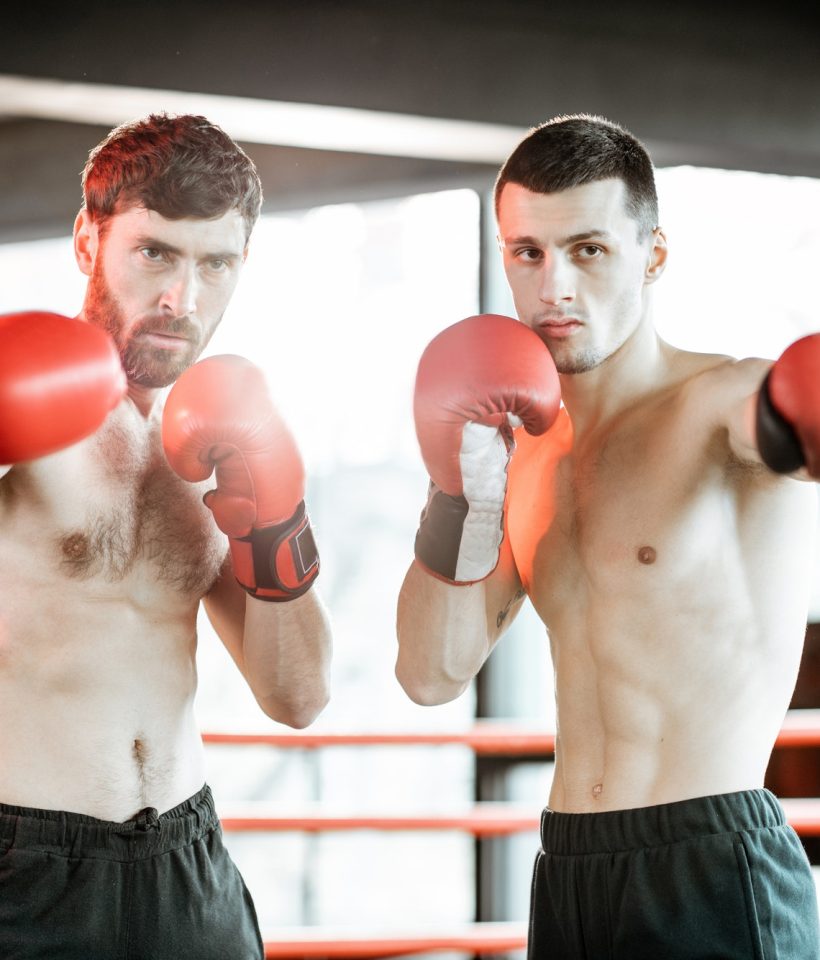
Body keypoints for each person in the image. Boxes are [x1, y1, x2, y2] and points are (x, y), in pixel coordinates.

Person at [396, 114, 820, 958]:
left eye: (588, 250)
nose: (553, 287)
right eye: (527, 252)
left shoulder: (720, 405)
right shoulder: (511, 454)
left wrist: (798, 407)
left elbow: (780, 426)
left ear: (652, 255)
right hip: (571, 870)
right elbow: (429, 674)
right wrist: (457, 489)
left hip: (709, 862)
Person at [0, 113, 332, 960]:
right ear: (88, 240)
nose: (182, 299)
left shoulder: (221, 435)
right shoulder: (21, 396)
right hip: (26, 871)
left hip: (188, 865)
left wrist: (277, 527)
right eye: (155, 254)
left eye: (214, 263)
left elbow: (297, 697)